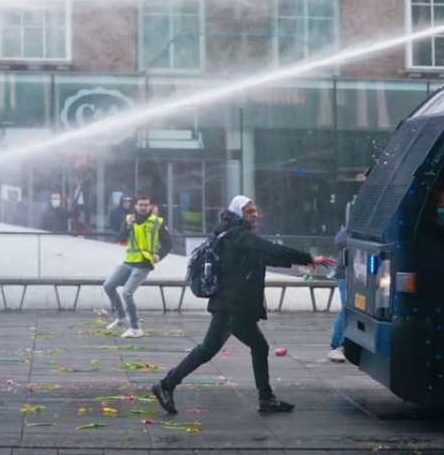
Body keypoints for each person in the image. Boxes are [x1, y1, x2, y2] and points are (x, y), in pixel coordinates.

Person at [151, 195, 335, 414]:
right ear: (239, 213)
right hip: (232, 307)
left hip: (236, 306)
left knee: (258, 346)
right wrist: (309, 258)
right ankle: (166, 384)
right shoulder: (238, 236)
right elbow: (269, 250)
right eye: (250, 212)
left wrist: (301, 262)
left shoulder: (232, 234)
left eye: (256, 211)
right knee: (208, 349)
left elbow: (264, 256)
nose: (255, 215)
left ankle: (266, 398)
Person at [103, 195, 172, 338]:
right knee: (108, 285)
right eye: (140, 205)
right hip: (129, 262)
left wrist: (159, 255)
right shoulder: (129, 219)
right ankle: (122, 316)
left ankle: (135, 327)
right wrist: (127, 225)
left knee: (127, 293)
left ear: (150, 206)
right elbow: (120, 238)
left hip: (144, 264)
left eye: (146, 205)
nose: (143, 207)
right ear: (135, 206)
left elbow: (168, 244)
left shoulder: (157, 222)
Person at [328, 225, 348, 362]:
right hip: (346, 274)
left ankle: (341, 344)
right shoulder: (350, 229)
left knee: (348, 309)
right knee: (347, 309)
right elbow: (340, 241)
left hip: (352, 274)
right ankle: (336, 346)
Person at [70, 156, 96, 237]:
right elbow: (71, 183)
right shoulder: (74, 172)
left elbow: (91, 181)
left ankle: (87, 233)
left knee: (87, 212)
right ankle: (75, 231)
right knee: (74, 212)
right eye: (79, 159)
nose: (81, 161)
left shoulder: (90, 171)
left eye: (83, 160)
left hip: (86, 196)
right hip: (77, 196)